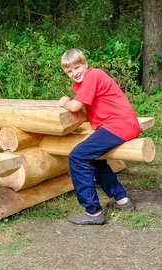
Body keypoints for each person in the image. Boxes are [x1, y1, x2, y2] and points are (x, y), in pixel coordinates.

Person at [58, 48, 140, 225]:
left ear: (85, 64)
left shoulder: (94, 75)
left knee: (77, 156)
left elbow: (74, 106)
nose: (74, 73)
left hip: (119, 125)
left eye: (77, 67)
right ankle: (122, 200)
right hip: (118, 125)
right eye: (69, 71)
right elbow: (85, 109)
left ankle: (93, 212)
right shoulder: (83, 83)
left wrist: (64, 102)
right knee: (94, 159)